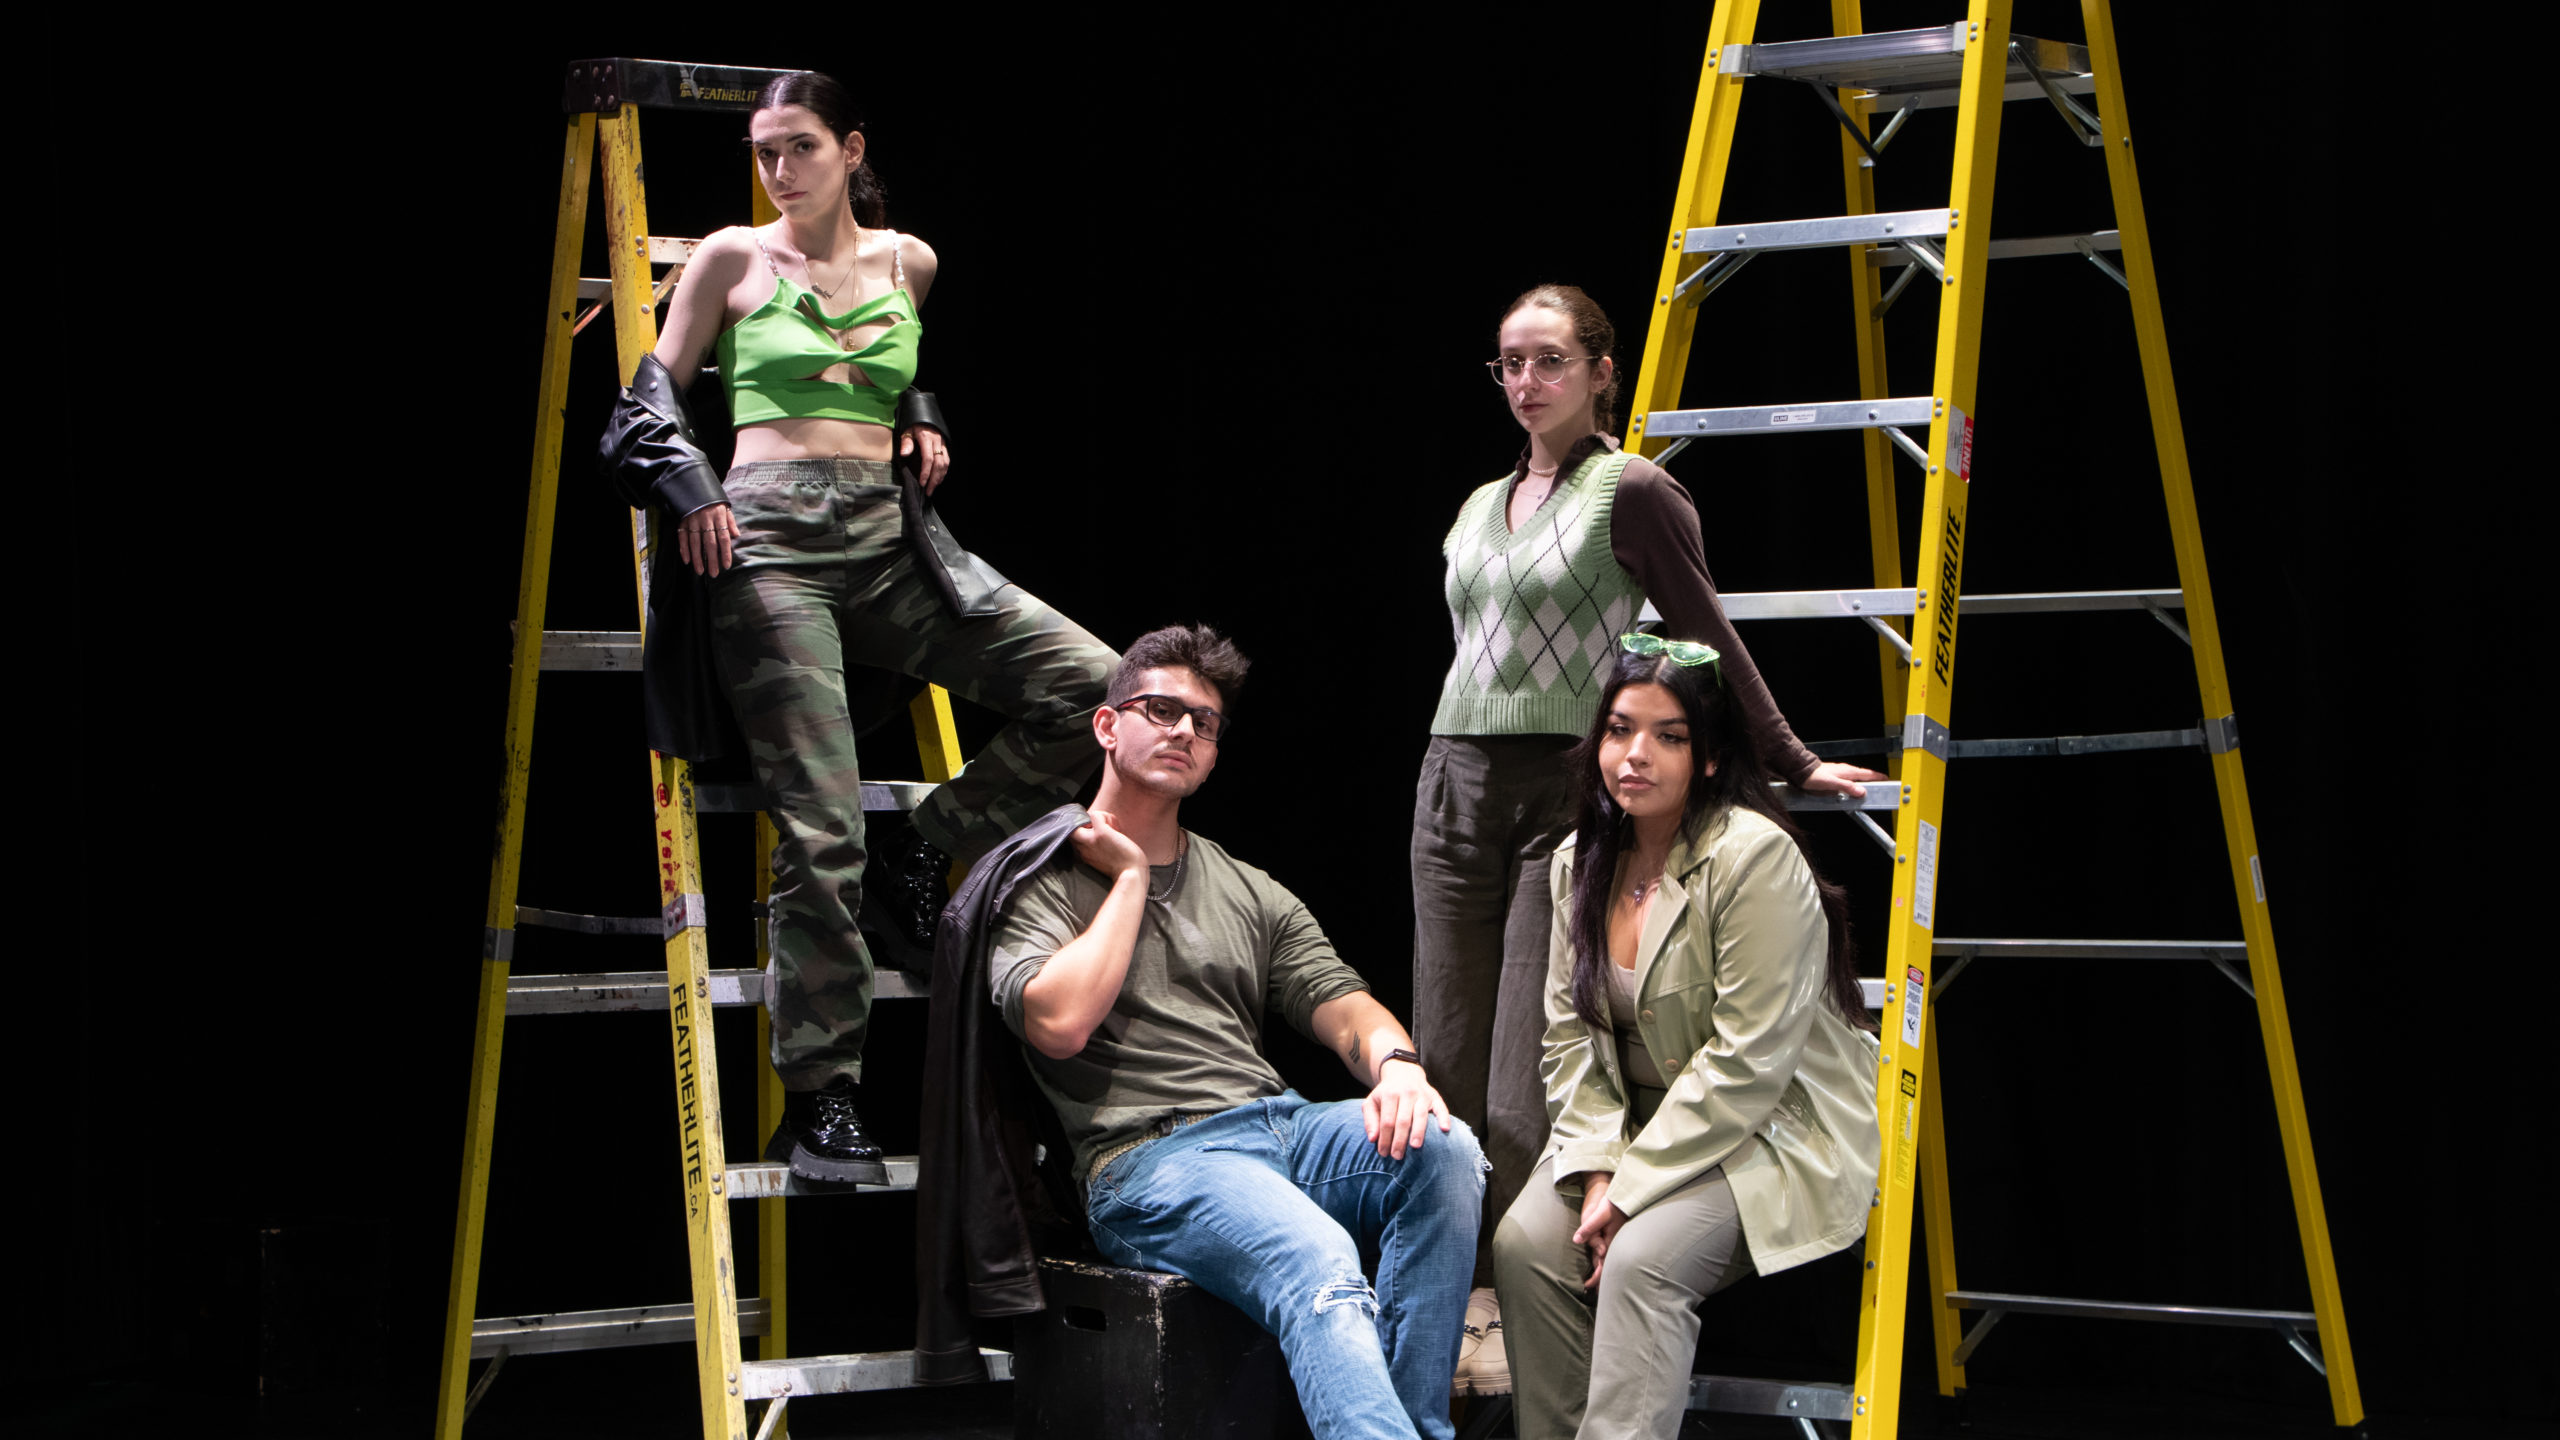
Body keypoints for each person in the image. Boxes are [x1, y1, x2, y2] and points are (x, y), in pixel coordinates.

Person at [606, 72, 1117, 1184]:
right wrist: (692, 488)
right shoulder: (731, 259)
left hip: (891, 545)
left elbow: (882, 376)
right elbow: (645, 399)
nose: (778, 171)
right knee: (823, 826)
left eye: (798, 148)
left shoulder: (910, 262)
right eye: (763, 153)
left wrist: (917, 420)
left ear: (850, 149)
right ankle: (823, 1095)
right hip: (769, 550)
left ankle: (934, 845)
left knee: (1101, 688)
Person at [1417, 283, 1886, 1391]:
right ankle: (1454, 1304)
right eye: (1507, 366)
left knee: (1519, 1085)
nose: (1524, 384)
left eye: (1546, 362)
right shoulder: (1482, 501)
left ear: (1598, 371)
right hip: (1452, 781)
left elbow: (1704, 631)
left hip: (1558, 788)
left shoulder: (1629, 492)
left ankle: (1525, 1310)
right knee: (1438, 1062)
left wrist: (1789, 759)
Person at [990, 625, 1486, 1440]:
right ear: (1109, 726)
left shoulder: (1248, 889)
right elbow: (1057, 1022)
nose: (1185, 730)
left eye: (1206, 721)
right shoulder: (1037, 877)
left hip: (1278, 1126)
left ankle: (1412, 1427)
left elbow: (1342, 1002)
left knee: (1444, 1150)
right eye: (1161, 709)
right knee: (1318, 1260)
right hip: (1152, 1160)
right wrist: (1127, 882)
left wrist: (1397, 1065)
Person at [1490, 635, 1882, 1440]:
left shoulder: (1754, 858)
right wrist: (1599, 1172)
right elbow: (1568, 1038)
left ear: (1707, 758)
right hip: (1633, 1124)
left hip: (1768, 1126)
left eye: (1669, 736)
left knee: (1643, 1260)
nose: (1635, 755)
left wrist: (1630, 1192)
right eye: (1619, 729)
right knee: (1527, 1245)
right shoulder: (1579, 859)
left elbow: (1747, 1063)